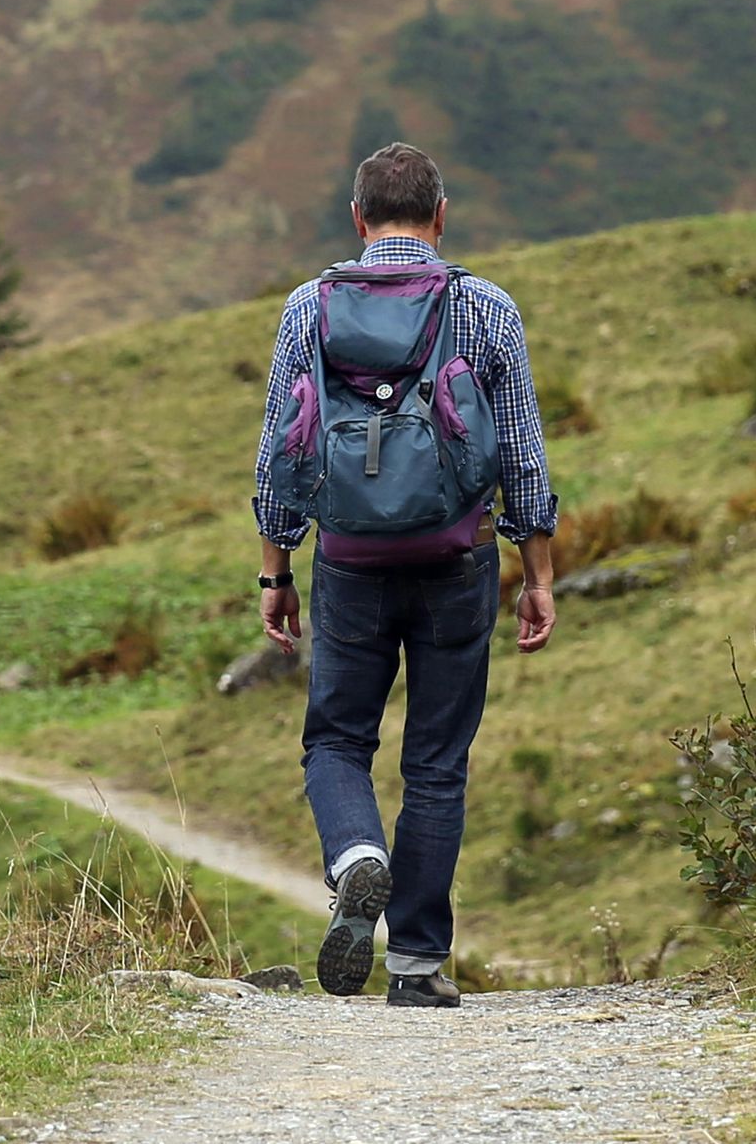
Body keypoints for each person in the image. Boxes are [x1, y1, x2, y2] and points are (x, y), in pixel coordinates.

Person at [252, 142, 558, 1008]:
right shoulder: (486, 307)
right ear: (441, 215)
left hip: (348, 561)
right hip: (457, 559)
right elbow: (524, 455)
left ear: (357, 219)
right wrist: (537, 571)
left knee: (337, 739)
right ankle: (417, 963)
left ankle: (357, 855)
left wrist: (276, 568)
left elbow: (282, 447)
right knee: (436, 760)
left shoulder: (308, 308)